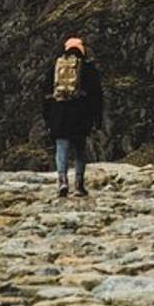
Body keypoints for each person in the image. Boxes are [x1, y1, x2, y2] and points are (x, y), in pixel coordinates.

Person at [42, 37, 104, 198]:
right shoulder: (89, 68)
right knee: (79, 151)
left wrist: (47, 118)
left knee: (61, 148)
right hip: (80, 116)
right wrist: (97, 119)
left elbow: (45, 95)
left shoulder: (55, 68)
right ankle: (79, 185)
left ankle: (62, 181)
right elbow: (97, 96)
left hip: (59, 115)